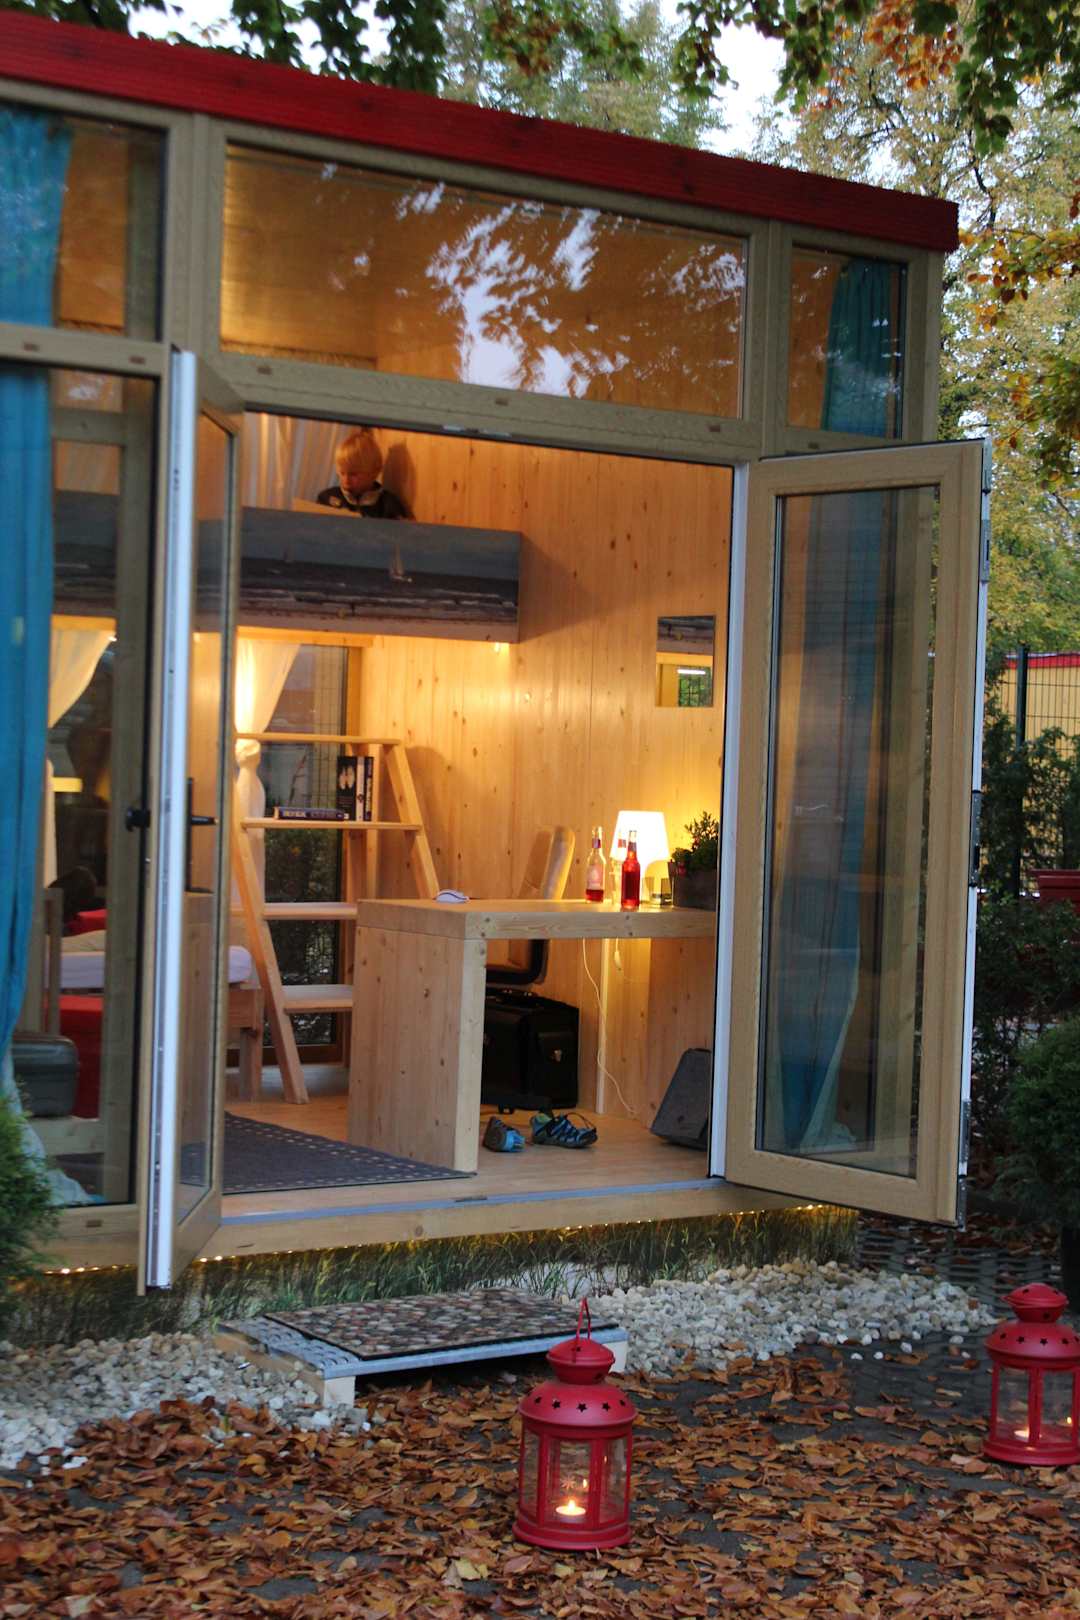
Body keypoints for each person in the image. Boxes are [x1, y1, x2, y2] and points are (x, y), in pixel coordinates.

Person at [316, 428, 409, 518]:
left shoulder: (388, 505)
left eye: (353, 474)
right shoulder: (326, 498)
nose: (346, 479)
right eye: (342, 473)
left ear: (374, 472)